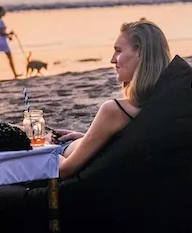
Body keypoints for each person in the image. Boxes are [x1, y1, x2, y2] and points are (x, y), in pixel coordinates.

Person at [57, 19, 170, 179]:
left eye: (118, 51)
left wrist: (44, 150)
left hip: (62, 153)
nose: (112, 59)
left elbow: (64, 170)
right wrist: (88, 137)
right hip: (82, 149)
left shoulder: (116, 110)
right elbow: (126, 145)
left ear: (139, 52)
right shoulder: (167, 102)